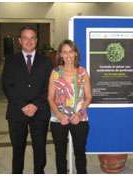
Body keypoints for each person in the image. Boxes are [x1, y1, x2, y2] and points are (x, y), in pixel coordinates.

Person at [2, 26, 53, 174]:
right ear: (20, 40)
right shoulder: (11, 61)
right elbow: (6, 85)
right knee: (17, 149)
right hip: (17, 112)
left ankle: (39, 172)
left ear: (36, 40)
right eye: (25, 38)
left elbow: (49, 87)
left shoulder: (46, 61)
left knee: (40, 148)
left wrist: (36, 105)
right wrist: (24, 105)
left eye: (32, 38)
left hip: (40, 112)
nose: (29, 41)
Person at [48, 39, 92, 174]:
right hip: (58, 119)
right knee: (60, 154)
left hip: (79, 119)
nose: (68, 56)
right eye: (64, 52)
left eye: (71, 52)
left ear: (75, 54)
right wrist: (60, 115)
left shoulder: (82, 72)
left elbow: (89, 96)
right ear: (60, 54)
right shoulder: (55, 72)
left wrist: (79, 113)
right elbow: (50, 97)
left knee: (80, 153)